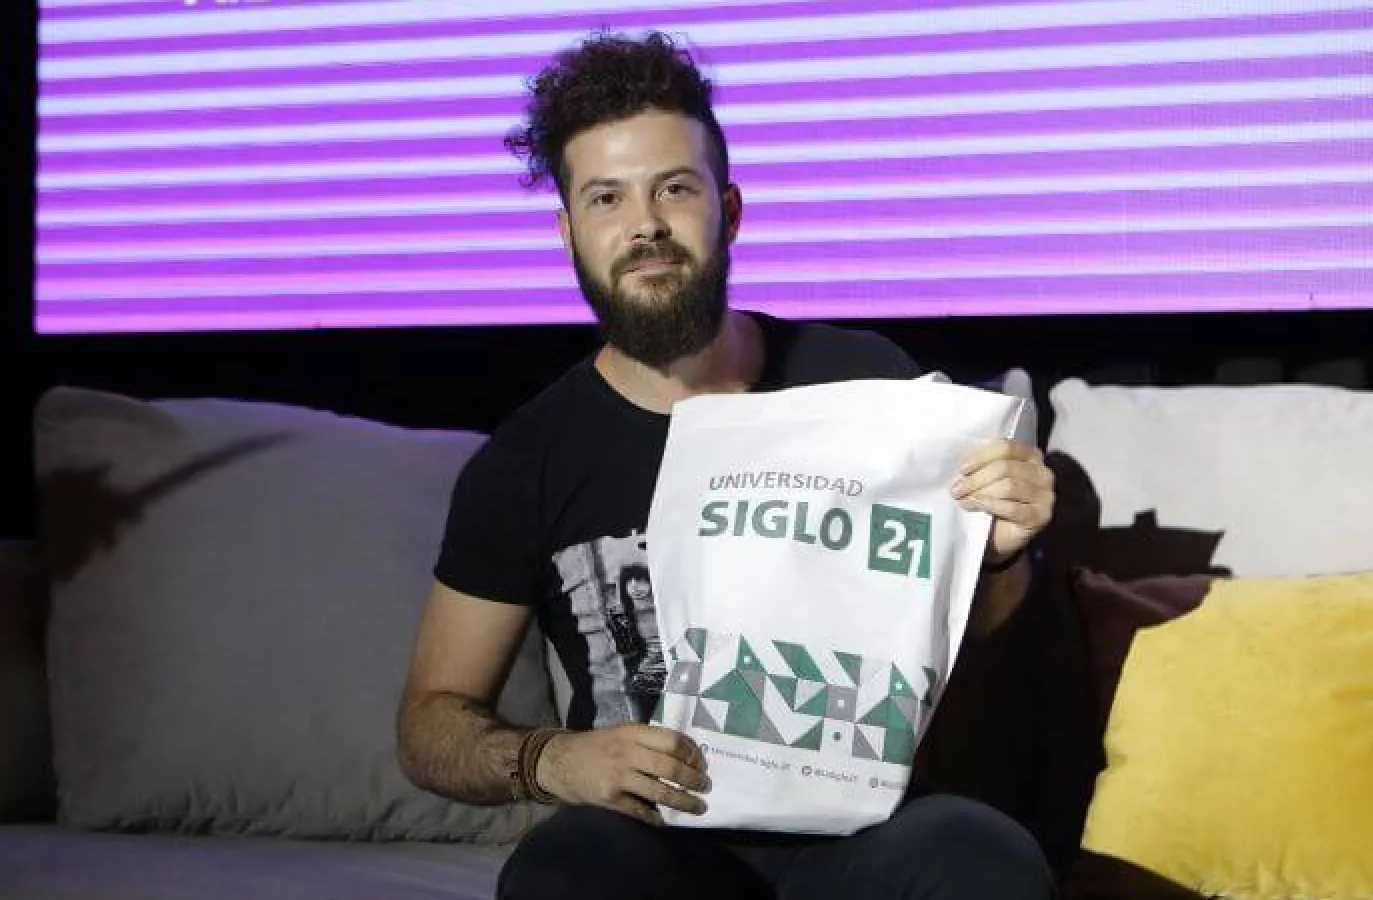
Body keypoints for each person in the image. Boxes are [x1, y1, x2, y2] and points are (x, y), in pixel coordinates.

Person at [395, 30, 1058, 900]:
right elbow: (430, 724)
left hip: (863, 830)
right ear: (569, 233)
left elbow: (980, 641)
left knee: (981, 853)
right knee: (564, 872)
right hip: (650, 843)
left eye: (674, 188)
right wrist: (551, 760)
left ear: (730, 210)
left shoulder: (867, 382)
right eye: (606, 198)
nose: (645, 225)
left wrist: (1000, 554)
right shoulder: (527, 459)